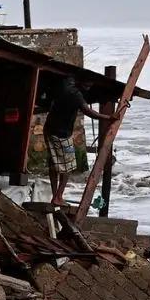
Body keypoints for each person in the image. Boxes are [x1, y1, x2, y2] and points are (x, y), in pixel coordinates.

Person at [43, 77, 114, 205]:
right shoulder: (76, 94)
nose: (88, 87)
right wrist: (108, 117)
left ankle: (55, 196)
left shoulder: (65, 84)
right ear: (80, 83)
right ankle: (58, 197)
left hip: (49, 129)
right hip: (61, 133)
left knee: (54, 164)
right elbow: (88, 112)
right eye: (87, 85)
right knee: (69, 166)